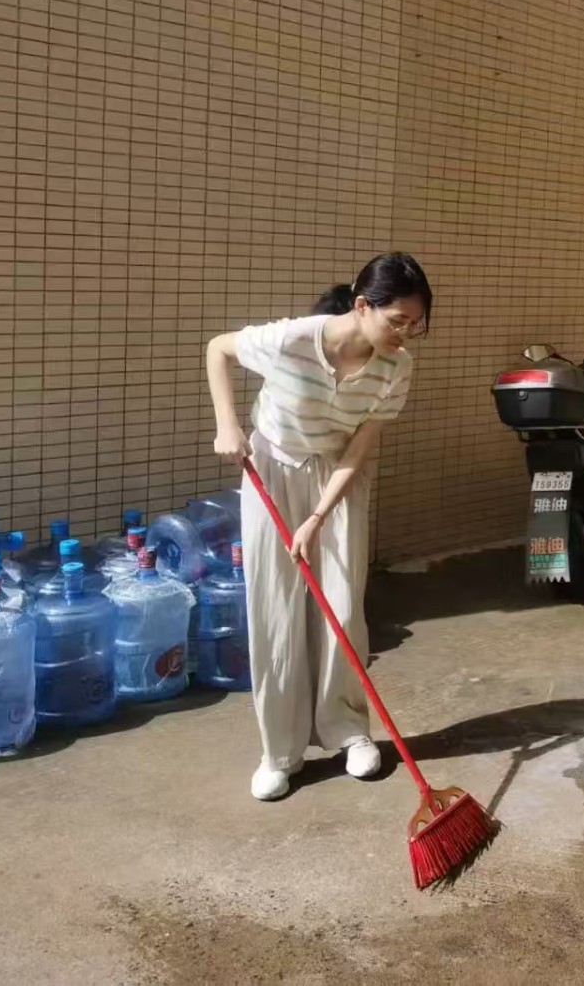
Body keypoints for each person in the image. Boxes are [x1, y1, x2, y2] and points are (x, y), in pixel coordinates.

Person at [206, 253, 432, 801]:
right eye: (397, 320)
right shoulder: (292, 340)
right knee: (275, 607)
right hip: (272, 467)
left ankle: (349, 730)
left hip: (337, 475)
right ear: (363, 306)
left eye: (415, 324)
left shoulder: (396, 367)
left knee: (342, 605)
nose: (405, 333)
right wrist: (228, 425)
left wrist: (316, 517)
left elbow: (360, 448)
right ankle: (280, 752)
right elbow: (219, 348)